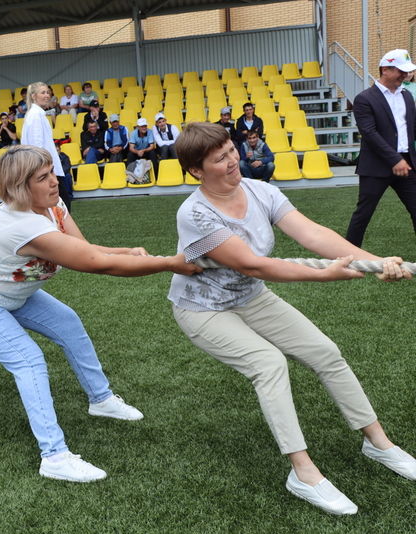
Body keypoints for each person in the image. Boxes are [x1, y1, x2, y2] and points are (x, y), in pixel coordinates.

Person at [169, 121, 416, 515]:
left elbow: (312, 234)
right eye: (220, 158)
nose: (234, 160)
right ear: (197, 170)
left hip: (251, 299)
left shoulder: (260, 190)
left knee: (325, 352)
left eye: (231, 150)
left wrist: (375, 261)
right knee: (268, 364)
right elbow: (255, 266)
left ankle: (378, 443)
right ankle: (303, 473)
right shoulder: (195, 214)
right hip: (204, 309)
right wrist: (325, 274)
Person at [0, 145, 200, 482]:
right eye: (43, 177)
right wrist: (170, 262)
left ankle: (101, 399)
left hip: (12, 295)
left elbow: (85, 249)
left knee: (68, 323)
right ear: (20, 187)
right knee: (29, 361)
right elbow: (96, 265)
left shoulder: (53, 205)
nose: (54, 181)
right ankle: (54, 457)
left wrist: (125, 251)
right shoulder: (20, 224)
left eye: (52, 173)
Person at [346, 49, 416, 247]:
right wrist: (395, 159)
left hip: (407, 165)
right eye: (401, 71)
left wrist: (402, 160)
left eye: (407, 71)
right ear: (385, 69)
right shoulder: (364, 99)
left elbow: (412, 128)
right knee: (364, 213)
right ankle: (349, 254)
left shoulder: (407, 97)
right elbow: (369, 133)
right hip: (377, 167)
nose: (405, 75)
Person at [21, 82, 73, 211]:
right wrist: (46, 171)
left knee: (60, 206)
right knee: (62, 206)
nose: (47, 95)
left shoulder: (36, 114)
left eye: (48, 92)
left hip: (47, 168)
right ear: (33, 96)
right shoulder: (35, 115)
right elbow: (37, 146)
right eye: (43, 92)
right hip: (47, 169)